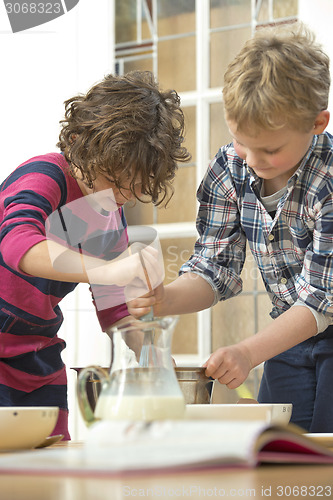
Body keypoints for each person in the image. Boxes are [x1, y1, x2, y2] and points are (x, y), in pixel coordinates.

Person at [128, 23, 333, 432]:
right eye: (241, 140)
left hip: (319, 324)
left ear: (317, 123)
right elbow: (212, 268)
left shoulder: (328, 181)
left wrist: (246, 351)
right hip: (288, 338)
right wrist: (164, 299)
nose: (253, 158)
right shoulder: (229, 169)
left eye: (271, 149)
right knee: (276, 458)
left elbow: (321, 299)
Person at [0, 71, 191, 439]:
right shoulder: (45, 176)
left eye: (136, 186)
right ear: (80, 144)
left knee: (51, 460)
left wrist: (154, 357)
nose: (124, 196)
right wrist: (109, 270)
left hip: (37, 357)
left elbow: (116, 310)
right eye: (116, 180)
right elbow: (17, 244)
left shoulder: (108, 214)